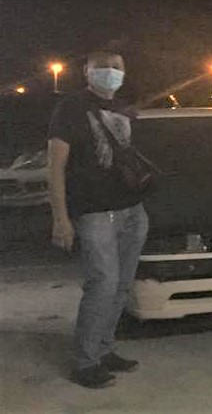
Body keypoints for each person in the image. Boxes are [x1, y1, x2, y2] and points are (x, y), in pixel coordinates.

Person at [49, 52, 149, 389]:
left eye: (117, 67)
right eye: (102, 67)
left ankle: (104, 349)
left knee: (121, 285)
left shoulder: (123, 108)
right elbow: (55, 166)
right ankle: (85, 362)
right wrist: (60, 218)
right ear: (86, 71)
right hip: (94, 213)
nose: (110, 72)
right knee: (102, 284)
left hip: (132, 210)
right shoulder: (71, 107)